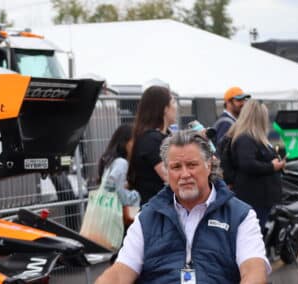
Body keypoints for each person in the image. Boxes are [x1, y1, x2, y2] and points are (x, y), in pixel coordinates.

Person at [96, 130, 270, 284]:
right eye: (176, 167)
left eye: (192, 165)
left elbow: (254, 272)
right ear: (167, 171)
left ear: (209, 165)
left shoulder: (240, 215)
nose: (184, 174)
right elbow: (120, 273)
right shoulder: (147, 217)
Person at [227, 100, 286, 232]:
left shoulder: (253, 138)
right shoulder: (245, 139)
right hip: (254, 198)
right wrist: (272, 167)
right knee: (254, 233)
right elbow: (247, 164)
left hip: (260, 198)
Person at [127, 85, 177, 204]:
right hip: (155, 210)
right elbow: (169, 177)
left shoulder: (162, 137)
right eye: (174, 102)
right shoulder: (151, 140)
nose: (176, 107)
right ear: (165, 108)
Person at [98, 124, 140, 208]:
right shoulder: (121, 163)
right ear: (125, 143)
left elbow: (111, 185)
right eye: (133, 141)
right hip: (116, 213)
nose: (135, 145)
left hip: (105, 208)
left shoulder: (110, 161)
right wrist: (135, 195)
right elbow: (119, 192)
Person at [213, 86, 251, 152]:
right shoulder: (225, 123)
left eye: (244, 100)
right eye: (239, 100)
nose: (243, 103)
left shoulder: (232, 121)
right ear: (228, 103)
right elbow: (222, 150)